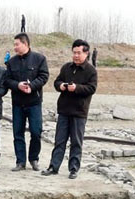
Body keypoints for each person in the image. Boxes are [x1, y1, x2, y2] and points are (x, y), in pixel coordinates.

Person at [42, 39, 97, 180]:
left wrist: (76, 88)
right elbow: (57, 82)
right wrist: (61, 86)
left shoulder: (91, 71)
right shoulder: (67, 67)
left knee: (76, 142)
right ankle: (53, 167)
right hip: (64, 111)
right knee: (59, 141)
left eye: (79, 53)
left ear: (86, 53)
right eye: (74, 53)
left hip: (79, 112)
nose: (76, 56)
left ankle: (73, 169)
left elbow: (92, 88)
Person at [4, 32, 49, 171]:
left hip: (34, 102)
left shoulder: (39, 58)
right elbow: (6, 80)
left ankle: (34, 159)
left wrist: (32, 86)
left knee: (36, 132)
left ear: (26, 44)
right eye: (14, 44)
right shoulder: (11, 62)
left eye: (17, 44)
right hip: (18, 103)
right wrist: (17, 85)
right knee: (18, 133)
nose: (15, 47)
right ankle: (20, 162)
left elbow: (44, 76)